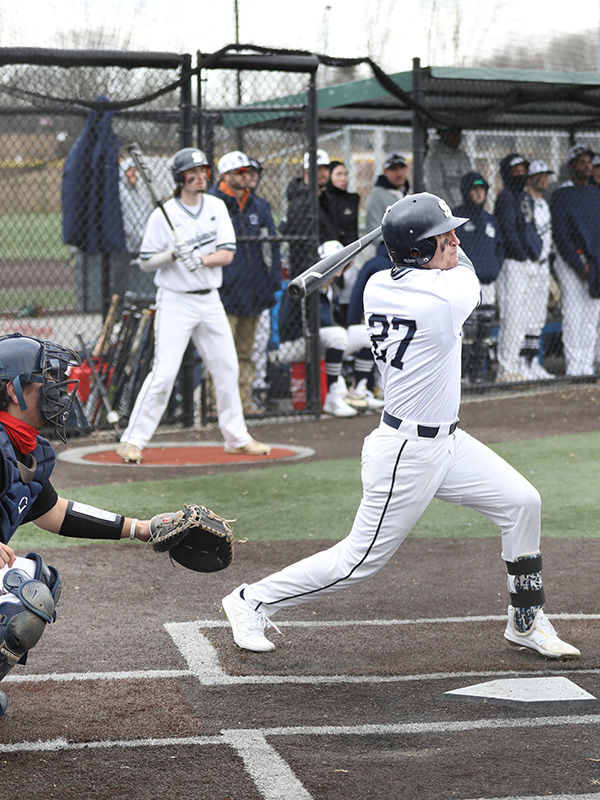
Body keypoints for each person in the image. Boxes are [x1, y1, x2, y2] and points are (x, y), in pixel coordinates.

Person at [220, 192, 580, 663]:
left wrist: (423, 220)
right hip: (406, 454)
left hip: (448, 442)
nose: (453, 240)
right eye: (441, 236)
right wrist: (429, 220)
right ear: (415, 251)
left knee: (522, 503)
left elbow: (434, 257)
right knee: (358, 562)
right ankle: (250, 601)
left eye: (450, 234)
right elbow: (467, 267)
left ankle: (526, 621)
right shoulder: (447, 296)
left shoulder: (376, 284)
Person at [0, 333, 156, 716]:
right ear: (13, 390)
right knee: (23, 603)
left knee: (41, 582)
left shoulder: (24, 447)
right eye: (45, 379)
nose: (58, 388)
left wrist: (141, 528)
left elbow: (56, 513)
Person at [116, 147, 270, 463]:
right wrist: (172, 255)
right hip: (175, 301)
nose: (200, 176)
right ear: (180, 177)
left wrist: (197, 258)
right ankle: (132, 440)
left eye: (203, 170)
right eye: (193, 171)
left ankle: (236, 437)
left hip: (210, 299)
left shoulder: (215, 206)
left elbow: (227, 253)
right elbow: (145, 262)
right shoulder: (163, 215)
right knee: (164, 372)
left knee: (227, 366)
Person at [209, 151, 281, 415]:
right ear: (226, 175)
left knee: (246, 353)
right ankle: (216, 405)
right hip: (224, 292)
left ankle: (243, 402)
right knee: (221, 353)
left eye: (249, 171)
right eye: (240, 172)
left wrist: (272, 280)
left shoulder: (259, 206)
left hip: (254, 290)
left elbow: (270, 247)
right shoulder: (212, 203)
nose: (247, 176)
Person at [276, 241, 381, 416]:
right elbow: (299, 325)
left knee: (367, 333)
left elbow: (336, 323)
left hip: (323, 342)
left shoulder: (333, 288)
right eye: (332, 262)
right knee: (337, 335)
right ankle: (333, 396)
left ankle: (359, 393)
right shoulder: (308, 285)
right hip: (294, 344)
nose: (337, 267)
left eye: (340, 262)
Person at [550, 143, 600, 376]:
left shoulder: (595, 193)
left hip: (595, 262)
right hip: (571, 262)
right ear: (571, 167)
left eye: (589, 162)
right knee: (573, 312)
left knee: (591, 313)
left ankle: (587, 365)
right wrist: (579, 263)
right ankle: (575, 366)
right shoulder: (562, 195)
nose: (587, 166)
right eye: (582, 162)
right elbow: (561, 234)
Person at [493, 153, 543, 382]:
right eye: (516, 170)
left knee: (523, 318)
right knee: (512, 317)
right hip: (513, 263)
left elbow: (530, 229)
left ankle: (515, 365)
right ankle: (506, 368)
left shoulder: (525, 198)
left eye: (524, 169)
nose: (521, 174)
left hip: (528, 262)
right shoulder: (505, 197)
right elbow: (508, 231)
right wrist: (523, 254)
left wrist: (535, 251)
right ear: (507, 173)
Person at [452, 172, 503, 383]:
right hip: (466, 284)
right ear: (466, 191)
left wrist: (494, 268)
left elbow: (500, 249)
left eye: (483, 189)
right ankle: (461, 377)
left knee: (484, 334)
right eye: (475, 188)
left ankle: (476, 377)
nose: (480, 192)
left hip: (489, 285)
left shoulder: (490, 220)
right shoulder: (457, 218)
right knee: (469, 334)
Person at [519, 160, 556, 380]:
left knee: (537, 317)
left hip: (544, 265)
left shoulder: (544, 204)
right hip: (528, 264)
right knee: (524, 315)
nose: (545, 178)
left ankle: (533, 363)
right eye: (540, 174)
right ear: (531, 178)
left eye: (546, 175)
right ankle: (522, 362)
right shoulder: (526, 202)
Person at [318, 160, 361, 326]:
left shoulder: (351, 199)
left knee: (347, 296)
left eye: (345, 174)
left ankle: (346, 326)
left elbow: (352, 230)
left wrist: (350, 257)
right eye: (338, 174)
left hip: (349, 255)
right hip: (329, 253)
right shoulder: (323, 200)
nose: (344, 178)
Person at [280, 149, 330, 281]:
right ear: (307, 172)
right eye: (318, 169)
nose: (322, 173)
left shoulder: (322, 196)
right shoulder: (301, 201)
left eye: (325, 169)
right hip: (308, 269)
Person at [118, 157, 156, 301]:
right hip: (126, 245)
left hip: (143, 244)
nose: (133, 174)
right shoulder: (120, 192)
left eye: (135, 171)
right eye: (130, 171)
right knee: (123, 281)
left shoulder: (141, 192)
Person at [365, 151, 410, 240]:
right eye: (393, 169)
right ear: (385, 171)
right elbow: (373, 230)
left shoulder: (410, 192)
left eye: (401, 168)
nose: (399, 173)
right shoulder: (376, 195)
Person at [423, 128, 472, 208]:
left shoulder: (463, 157)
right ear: (442, 134)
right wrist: (449, 209)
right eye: (452, 132)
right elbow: (435, 189)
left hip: (463, 209)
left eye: (458, 132)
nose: (457, 136)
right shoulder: (434, 157)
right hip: (443, 210)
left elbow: (469, 184)